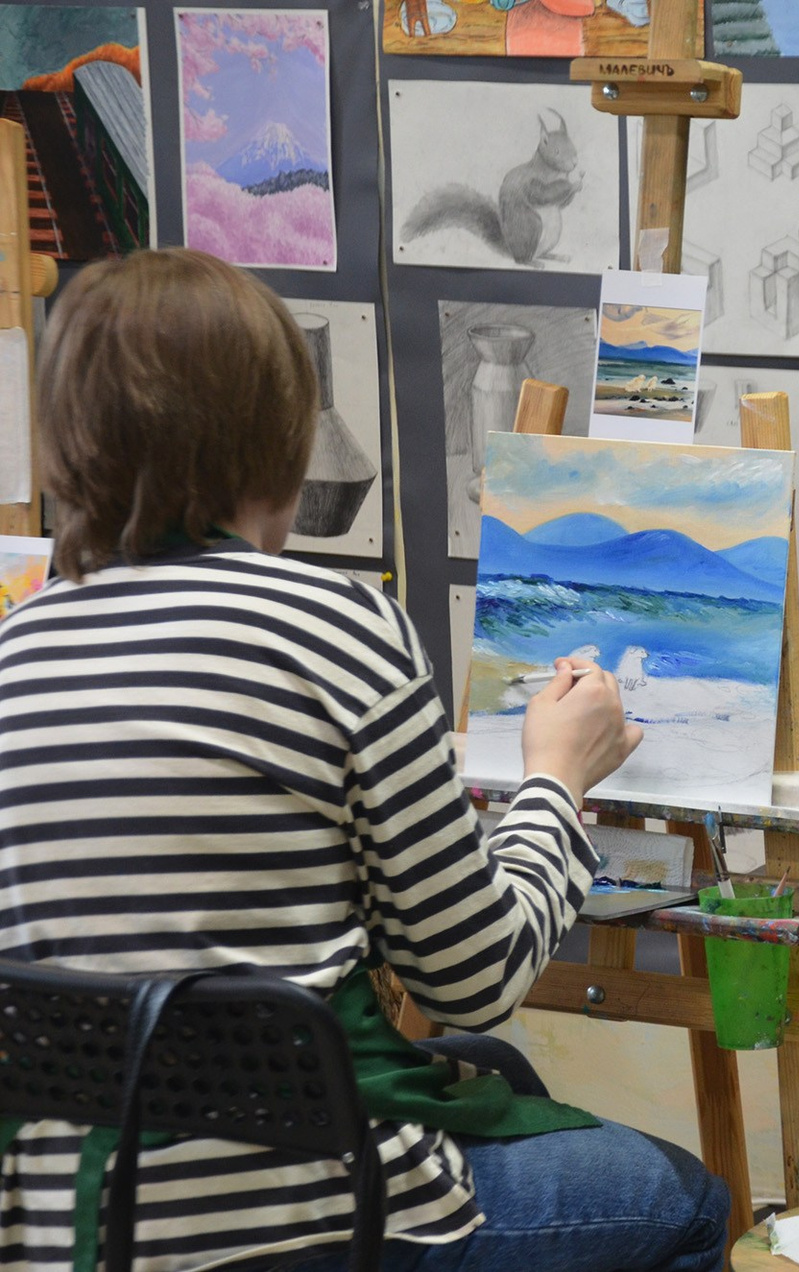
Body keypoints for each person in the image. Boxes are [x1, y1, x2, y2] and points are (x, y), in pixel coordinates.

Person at [0, 248, 729, 1272]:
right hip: (303, 1216)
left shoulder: (18, 645)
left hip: (66, 1226)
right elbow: (475, 977)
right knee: (688, 1202)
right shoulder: (332, 628)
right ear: (279, 436)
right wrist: (556, 781)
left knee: (493, 1072)